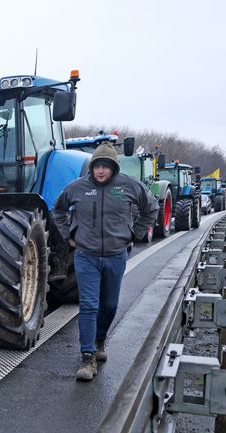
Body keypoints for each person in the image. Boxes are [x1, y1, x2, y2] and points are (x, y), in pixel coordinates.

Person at [51, 142, 158, 381]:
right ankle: (87, 357)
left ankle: (99, 340)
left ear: (114, 168)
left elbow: (151, 207)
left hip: (115, 255)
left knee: (109, 305)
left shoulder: (129, 186)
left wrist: (136, 234)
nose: (100, 171)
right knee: (89, 305)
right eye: (97, 166)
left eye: (105, 166)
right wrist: (69, 235)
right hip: (85, 255)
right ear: (92, 167)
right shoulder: (77, 188)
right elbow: (58, 210)